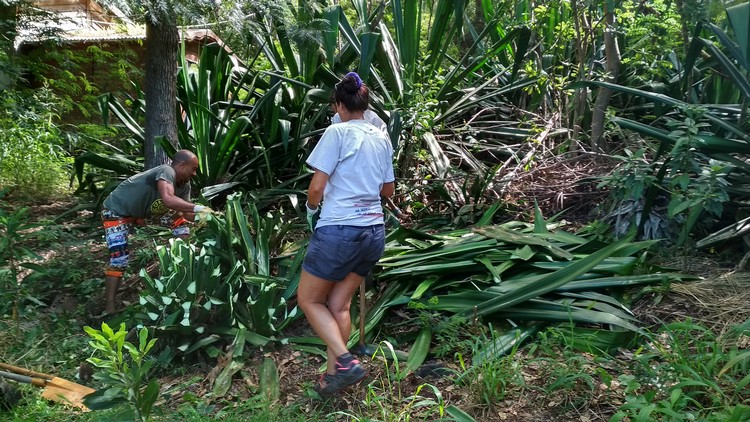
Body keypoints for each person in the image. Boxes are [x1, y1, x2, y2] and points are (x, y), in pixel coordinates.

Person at [297, 72, 395, 396]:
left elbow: (316, 188)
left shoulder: (336, 132)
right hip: (373, 232)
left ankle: (345, 361)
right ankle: (332, 377)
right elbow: (388, 190)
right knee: (339, 305)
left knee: (309, 299)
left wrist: (312, 212)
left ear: (339, 105)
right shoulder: (381, 136)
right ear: (364, 105)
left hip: (340, 229)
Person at [100, 149, 213, 314]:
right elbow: (168, 199)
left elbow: (186, 213)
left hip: (144, 214)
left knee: (182, 228)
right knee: (119, 259)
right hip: (117, 211)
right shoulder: (166, 171)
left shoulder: (184, 185)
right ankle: (109, 308)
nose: (195, 173)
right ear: (182, 165)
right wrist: (200, 207)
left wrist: (209, 218)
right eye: (193, 168)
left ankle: (180, 278)